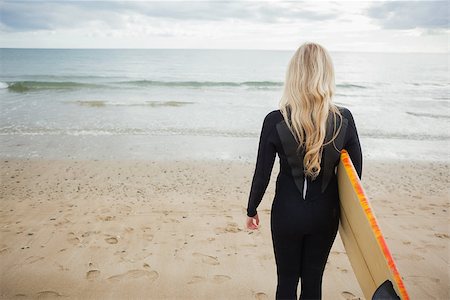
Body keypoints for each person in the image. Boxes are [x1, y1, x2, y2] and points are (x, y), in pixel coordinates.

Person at [245, 42, 362, 300]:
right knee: (313, 281)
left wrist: (251, 209)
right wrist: (348, 218)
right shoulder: (344, 119)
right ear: (326, 74)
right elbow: (355, 178)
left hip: (287, 213)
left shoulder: (274, 120)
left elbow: (261, 172)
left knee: (286, 281)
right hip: (325, 214)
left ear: (293, 75)